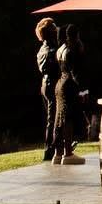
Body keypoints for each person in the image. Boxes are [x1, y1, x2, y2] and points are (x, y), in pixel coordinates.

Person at [52, 24, 87, 165]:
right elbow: (75, 72)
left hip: (59, 84)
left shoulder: (60, 49)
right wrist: (83, 91)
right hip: (69, 85)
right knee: (68, 118)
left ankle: (57, 153)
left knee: (58, 118)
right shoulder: (72, 50)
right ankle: (68, 153)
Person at [35, 18, 60, 161]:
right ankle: (50, 149)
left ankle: (52, 147)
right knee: (53, 118)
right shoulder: (53, 50)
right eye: (55, 27)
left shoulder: (41, 49)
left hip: (45, 84)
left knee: (51, 117)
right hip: (52, 84)